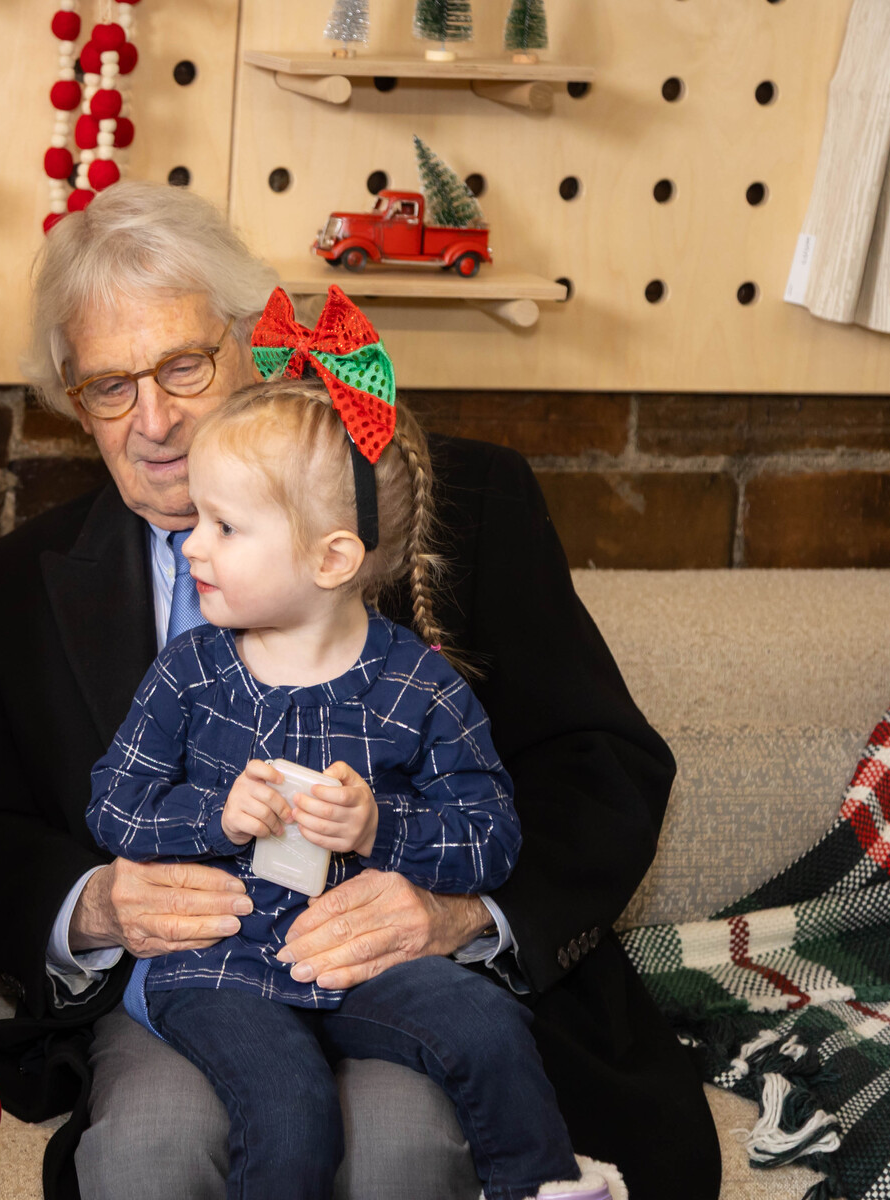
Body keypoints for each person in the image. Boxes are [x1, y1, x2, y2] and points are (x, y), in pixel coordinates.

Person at [0, 182, 720, 1200]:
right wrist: (96, 906)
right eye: (109, 387)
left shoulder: (450, 502)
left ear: (256, 344)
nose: (154, 421)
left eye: (182, 365)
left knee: (399, 1147)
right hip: (189, 984)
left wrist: (457, 912)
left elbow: (598, 765)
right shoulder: (8, 588)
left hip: (396, 970)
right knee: (147, 1150)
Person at [87, 323, 620, 1200]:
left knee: (485, 1022)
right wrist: (215, 816)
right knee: (290, 1103)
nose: (192, 546)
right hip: (222, 968)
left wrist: (381, 827)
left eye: (225, 526)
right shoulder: (190, 673)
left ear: (332, 558)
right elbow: (114, 805)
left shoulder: (421, 684)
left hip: (362, 965)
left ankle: (543, 1187)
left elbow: (490, 838)